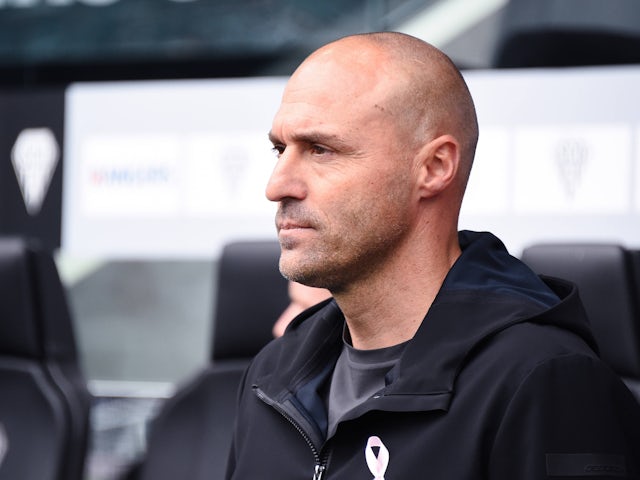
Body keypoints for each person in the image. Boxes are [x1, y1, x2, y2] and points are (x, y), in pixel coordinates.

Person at [226, 31, 640, 479]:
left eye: (321, 150)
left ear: (435, 168)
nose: (276, 185)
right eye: (280, 149)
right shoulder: (274, 374)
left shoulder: (541, 380)